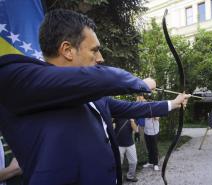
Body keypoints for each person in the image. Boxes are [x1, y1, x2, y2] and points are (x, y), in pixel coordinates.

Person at [0, 9, 190, 185]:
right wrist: (140, 83)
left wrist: (172, 104)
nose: (100, 58)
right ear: (67, 50)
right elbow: (100, 77)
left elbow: (132, 108)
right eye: (94, 50)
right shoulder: (16, 79)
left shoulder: (93, 95)